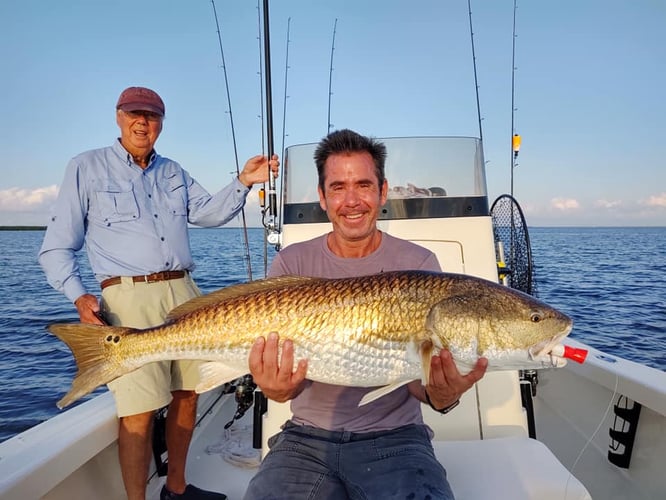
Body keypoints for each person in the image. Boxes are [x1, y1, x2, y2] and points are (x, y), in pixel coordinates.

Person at [39, 86, 279, 500]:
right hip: (128, 296)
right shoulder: (86, 167)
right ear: (118, 116)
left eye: (151, 116)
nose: (142, 122)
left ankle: (177, 488)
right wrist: (79, 295)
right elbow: (57, 247)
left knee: (189, 392)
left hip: (184, 291)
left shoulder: (173, 171)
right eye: (134, 113)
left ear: (161, 124)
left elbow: (208, 213)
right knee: (138, 407)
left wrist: (244, 180)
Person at [245, 129, 488, 499]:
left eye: (363, 184)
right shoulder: (291, 262)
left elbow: (421, 385)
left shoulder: (418, 264)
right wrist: (276, 388)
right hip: (305, 437)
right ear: (323, 198)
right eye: (338, 187)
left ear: (382, 191)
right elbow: (282, 387)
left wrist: (444, 394)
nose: (352, 200)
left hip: (397, 439)